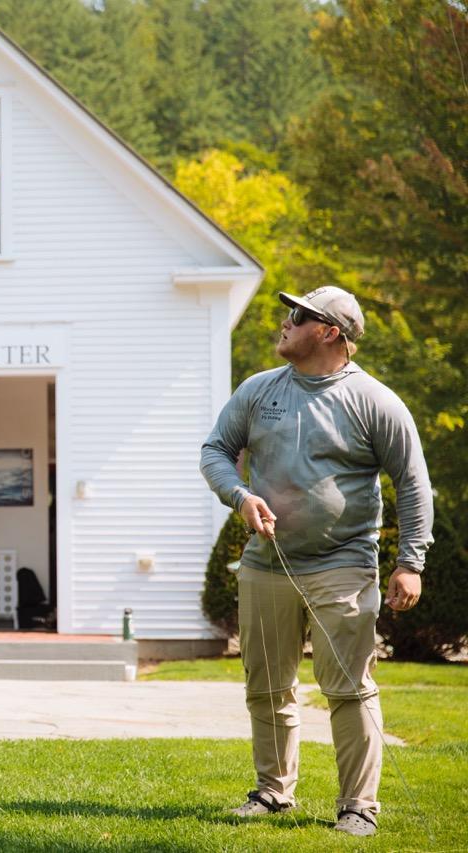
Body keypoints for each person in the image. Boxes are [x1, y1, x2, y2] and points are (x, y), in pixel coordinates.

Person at [200, 286, 433, 838]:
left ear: (329, 331)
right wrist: (240, 495)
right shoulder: (259, 390)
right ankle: (273, 792)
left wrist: (410, 562)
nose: (284, 322)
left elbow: (413, 482)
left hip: (343, 564)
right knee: (266, 686)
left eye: (297, 315)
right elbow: (215, 450)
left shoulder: (375, 401)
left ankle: (357, 807)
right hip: (266, 563)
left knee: (349, 688)